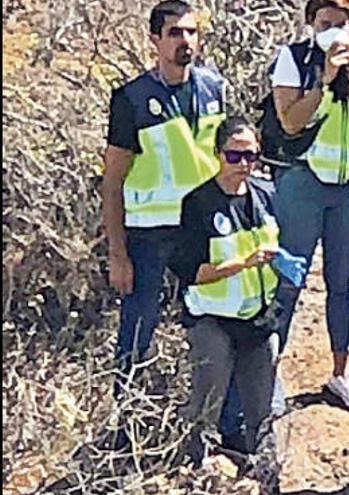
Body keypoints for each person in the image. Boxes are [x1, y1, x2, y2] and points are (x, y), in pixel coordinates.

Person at [258, 0, 349, 414]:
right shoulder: (294, 60)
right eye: (325, 23)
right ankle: (267, 373)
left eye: (342, 22)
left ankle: (341, 372)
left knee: (343, 281)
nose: (334, 31)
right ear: (310, 24)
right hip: (303, 180)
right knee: (289, 277)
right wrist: (325, 79)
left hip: (348, 184)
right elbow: (289, 121)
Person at [100, 0, 231, 447]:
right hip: (150, 237)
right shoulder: (132, 99)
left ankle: (206, 430)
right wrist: (117, 254)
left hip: (201, 233)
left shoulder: (214, 87)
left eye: (192, 32)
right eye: (175, 33)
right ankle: (126, 430)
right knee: (138, 330)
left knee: (213, 325)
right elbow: (113, 181)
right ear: (154, 39)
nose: (185, 41)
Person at [169, 117, 307, 482]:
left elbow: (274, 247)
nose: (244, 165)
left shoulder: (265, 196)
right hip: (213, 322)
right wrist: (240, 264)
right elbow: (189, 271)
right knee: (205, 410)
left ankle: (267, 481)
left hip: (259, 322)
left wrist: (284, 267)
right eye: (235, 156)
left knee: (261, 415)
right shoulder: (198, 203)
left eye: (252, 157)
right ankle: (193, 477)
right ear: (218, 154)